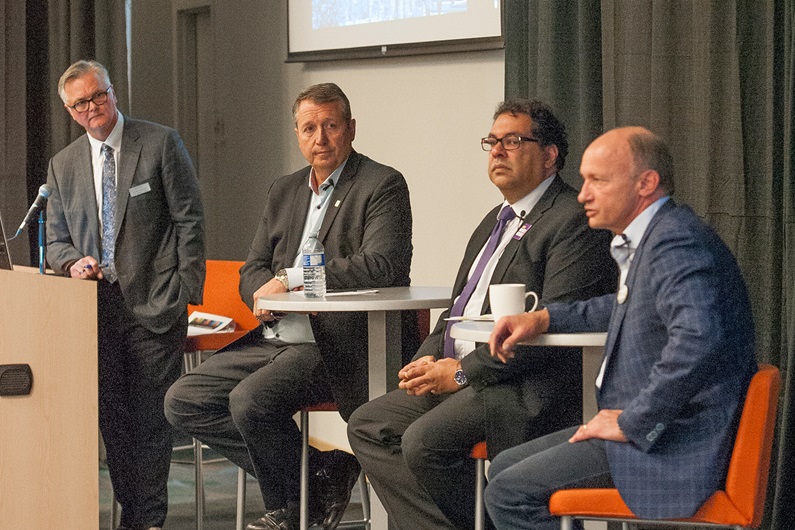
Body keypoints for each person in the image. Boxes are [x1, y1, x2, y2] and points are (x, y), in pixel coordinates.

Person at [347, 99, 617, 530]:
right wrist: (429, 358)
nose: (497, 151)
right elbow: (459, 308)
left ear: (549, 155)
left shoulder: (571, 220)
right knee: (368, 424)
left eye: (513, 141)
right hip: (466, 374)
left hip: (520, 385)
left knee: (422, 442)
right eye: (492, 141)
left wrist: (460, 373)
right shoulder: (495, 219)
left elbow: (557, 323)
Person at [164, 83, 414, 530]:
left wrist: (290, 280)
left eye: (331, 126)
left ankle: (295, 510)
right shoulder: (285, 189)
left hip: (335, 342)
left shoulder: (381, 184)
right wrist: (264, 295)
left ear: (351, 129)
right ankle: (320, 475)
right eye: (309, 128)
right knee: (184, 399)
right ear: (297, 134)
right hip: (276, 336)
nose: (320, 138)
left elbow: (382, 265)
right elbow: (252, 268)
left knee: (249, 400)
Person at [485, 126, 757, 530]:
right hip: (654, 433)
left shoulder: (675, 242)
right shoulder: (657, 236)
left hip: (671, 445)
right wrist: (543, 317)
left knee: (509, 492)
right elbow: (625, 306)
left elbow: (699, 340)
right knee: (504, 464)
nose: (582, 195)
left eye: (598, 180)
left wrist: (631, 421)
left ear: (645, 183)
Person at [45, 59, 205, 530]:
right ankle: (131, 514)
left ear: (113, 92)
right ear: (71, 112)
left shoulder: (158, 142)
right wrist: (72, 261)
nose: (92, 108)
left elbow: (190, 220)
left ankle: (147, 520)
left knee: (151, 422)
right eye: (80, 103)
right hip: (95, 311)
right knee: (114, 423)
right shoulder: (63, 165)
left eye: (98, 96)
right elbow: (55, 240)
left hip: (156, 304)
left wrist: (184, 291)